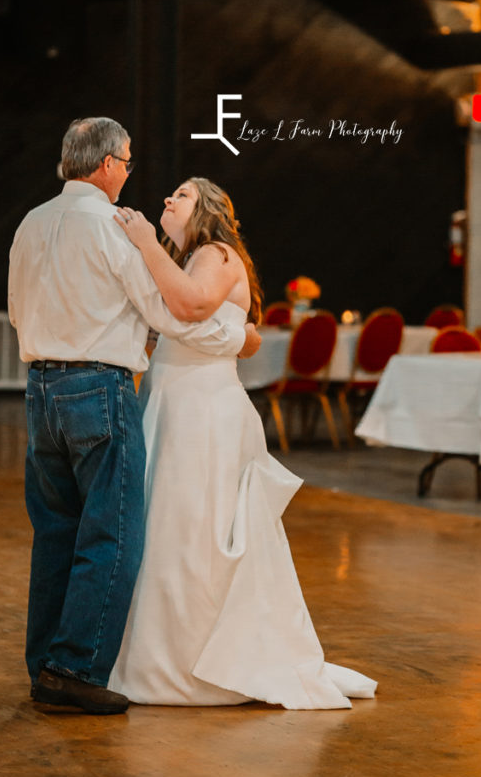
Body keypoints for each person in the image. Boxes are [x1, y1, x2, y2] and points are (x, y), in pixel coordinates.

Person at [8, 119, 261, 715]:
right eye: (126, 161)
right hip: (98, 387)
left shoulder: (31, 222)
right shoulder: (112, 227)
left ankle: (42, 664)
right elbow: (168, 313)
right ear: (105, 165)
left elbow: (17, 311)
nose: (128, 171)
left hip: (40, 389)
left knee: (55, 532)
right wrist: (235, 332)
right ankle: (73, 670)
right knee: (110, 532)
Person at [108, 177, 377, 709]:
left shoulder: (215, 252)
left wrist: (142, 242)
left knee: (193, 531)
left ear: (206, 209)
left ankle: (193, 667)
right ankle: (157, 655)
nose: (167, 199)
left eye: (181, 195)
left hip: (203, 413)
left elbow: (192, 306)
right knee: (166, 530)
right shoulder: (183, 259)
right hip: (170, 404)